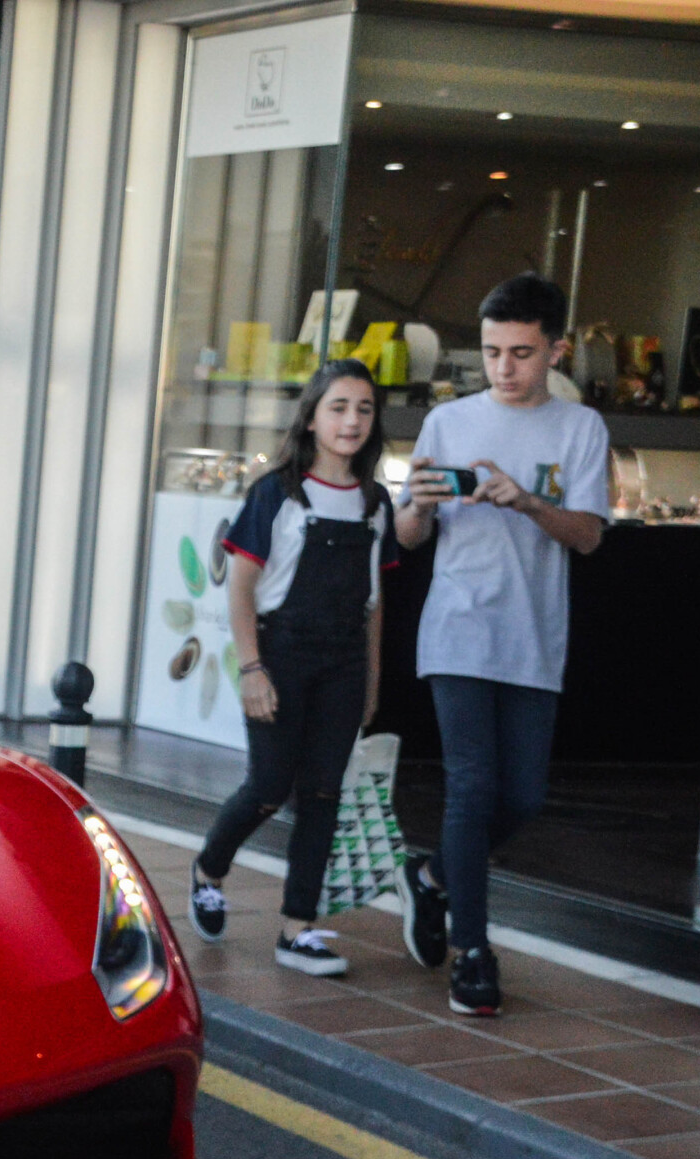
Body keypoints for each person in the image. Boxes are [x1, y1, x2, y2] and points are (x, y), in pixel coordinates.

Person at [394, 274, 610, 1017]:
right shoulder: (449, 423)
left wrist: (528, 501)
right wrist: (418, 509)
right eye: (491, 352)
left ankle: (432, 881)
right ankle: (474, 952)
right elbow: (405, 533)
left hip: (533, 633)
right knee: (473, 786)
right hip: (457, 626)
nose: (504, 368)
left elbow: (587, 537)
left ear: (556, 349)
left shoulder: (581, 430)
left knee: (522, 796)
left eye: (521, 352)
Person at [186, 359, 395, 977]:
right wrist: (252, 668)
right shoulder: (278, 491)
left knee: (324, 794)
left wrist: (372, 682)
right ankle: (209, 868)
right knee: (270, 786)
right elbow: (241, 589)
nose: (351, 420)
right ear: (310, 416)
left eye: (363, 408)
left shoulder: (377, 502)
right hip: (280, 653)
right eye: (338, 407)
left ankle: (297, 929)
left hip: (345, 661)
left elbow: (374, 606)